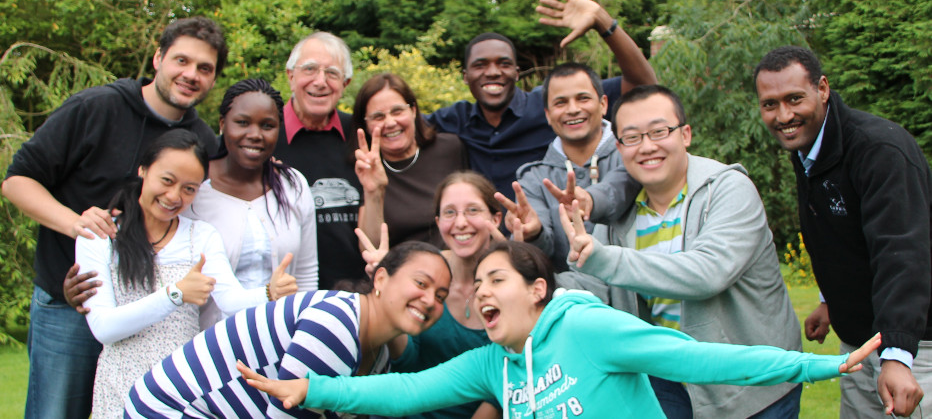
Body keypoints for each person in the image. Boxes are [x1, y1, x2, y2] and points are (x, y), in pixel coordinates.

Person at [240, 240, 881, 419]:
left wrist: (820, 367)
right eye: (478, 284)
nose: (480, 292)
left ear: (538, 291)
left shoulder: (587, 328)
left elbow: (700, 361)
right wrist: (313, 391)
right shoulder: (494, 365)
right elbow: (406, 393)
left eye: (497, 279)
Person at [1, 16, 226, 419]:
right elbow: (17, 181)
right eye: (181, 60)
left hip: (150, 321)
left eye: (204, 68)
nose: (191, 75)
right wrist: (76, 225)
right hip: (70, 303)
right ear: (158, 58)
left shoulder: (203, 143)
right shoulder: (95, 108)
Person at [557, 84, 803, 418]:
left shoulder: (727, 189)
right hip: (670, 381)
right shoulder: (619, 217)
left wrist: (602, 257)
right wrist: (525, 280)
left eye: (659, 131)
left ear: (685, 134)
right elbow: (599, 290)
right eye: (632, 137)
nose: (647, 146)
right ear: (619, 147)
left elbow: (707, 273)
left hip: (752, 384)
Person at [754, 45, 930, 417]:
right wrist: (828, 299)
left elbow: (902, 253)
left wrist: (898, 356)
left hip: (917, 347)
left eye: (794, 98)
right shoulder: (809, 148)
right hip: (860, 343)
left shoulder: (878, 150)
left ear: (823, 88)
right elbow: (838, 236)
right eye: (770, 104)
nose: (783, 115)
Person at [76, 129, 296, 418]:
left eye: (189, 188)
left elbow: (229, 301)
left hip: (181, 384)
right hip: (120, 384)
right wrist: (174, 295)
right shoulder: (101, 234)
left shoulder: (201, 236)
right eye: (167, 181)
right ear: (143, 170)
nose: (173, 196)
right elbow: (104, 328)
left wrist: (269, 293)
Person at [124, 241, 452, 418]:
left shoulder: (378, 355)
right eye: (421, 283)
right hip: (169, 410)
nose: (429, 300)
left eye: (441, 296)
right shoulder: (337, 324)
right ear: (380, 279)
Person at [427, 0, 656, 200]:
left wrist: (602, 21)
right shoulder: (455, 118)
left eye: (504, 64)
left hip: (547, 231)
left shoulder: (551, 104)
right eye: (481, 65)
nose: (493, 72)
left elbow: (642, 85)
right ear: (465, 76)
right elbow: (400, 126)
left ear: (517, 73)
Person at [357, 171, 506, 418]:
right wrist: (389, 297)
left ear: (496, 218)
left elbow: (505, 381)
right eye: (450, 212)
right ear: (438, 222)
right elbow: (406, 360)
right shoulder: (423, 274)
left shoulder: (509, 282)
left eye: (473, 210)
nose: (460, 223)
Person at [185, 79, 318, 328]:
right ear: (223, 124)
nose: (255, 135)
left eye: (267, 125)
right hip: (207, 344)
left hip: (278, 337)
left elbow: (307, 272)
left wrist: (305, 331)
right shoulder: (195, 188)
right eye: (243, 123)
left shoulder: (293, 185)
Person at [500, 62, 639, 270]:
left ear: (603, 104)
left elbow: (622, 185)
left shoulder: (634, 152)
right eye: (560, 103)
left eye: (582, 98)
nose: (573, 110)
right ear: (547, 114)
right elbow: (542, 254)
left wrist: (591, 200)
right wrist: (533, 232)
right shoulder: (534, 178)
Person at [273, 31, 367, 289]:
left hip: (355, 293)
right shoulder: (266, 134)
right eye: (310, 69)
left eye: (332, 73)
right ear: (290, 77)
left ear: (345, 84)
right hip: (284, 295)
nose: (320, 81)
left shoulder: (359, 134)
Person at [352, 73, 467, 248]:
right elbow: (370, 247)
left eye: (397, 111)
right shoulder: (365, 168)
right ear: (366, 126)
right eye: (378, 117)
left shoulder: (450, 149)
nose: (390, 123)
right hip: (402, 272)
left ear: (413, 111)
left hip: (457, 266)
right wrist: (374, 193)